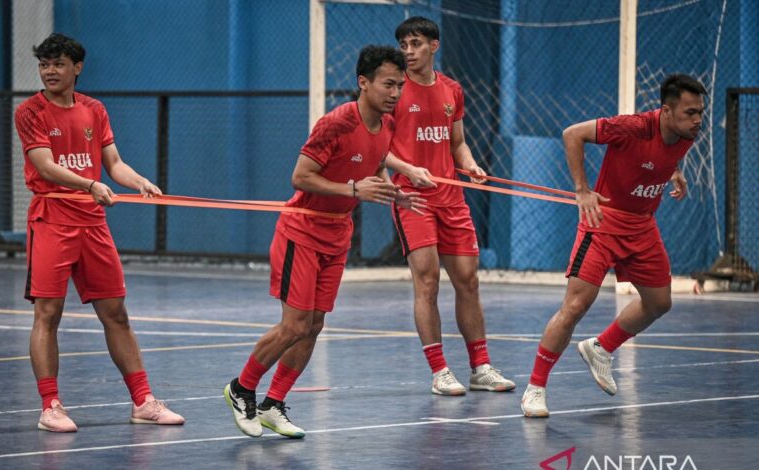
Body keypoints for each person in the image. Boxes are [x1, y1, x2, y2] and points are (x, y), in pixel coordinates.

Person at [224, 45, 424, 439]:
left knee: (313, 326)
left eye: (400, 85)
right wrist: (352, 188)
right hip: (302, 230)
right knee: (294, 324)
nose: (395, 93)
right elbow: (300, 177)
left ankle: (273, 403)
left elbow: (373, 168)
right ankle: (241, 388)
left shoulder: (387, 127)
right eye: (388, 84)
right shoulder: (335, 123)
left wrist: (392, 193)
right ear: (362, 83)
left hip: (338, 233)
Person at [14, 33, 185, 432]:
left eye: (57, 64)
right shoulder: (29, 111)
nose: (50, 71)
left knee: (116, 314)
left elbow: (113, 163)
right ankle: (50, 405)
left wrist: (139, 180)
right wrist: (89, 185)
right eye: (44, 65)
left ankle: (143, 401)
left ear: (77, 67)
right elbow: (44, 166)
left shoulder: (94, 110)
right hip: (52, 219)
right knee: (48, 313)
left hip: (92, 223)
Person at [521, 74, 707, 417]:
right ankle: (536, 387)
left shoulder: (686, 133)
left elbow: (659, 158)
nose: (697, 120)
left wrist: (674, 172)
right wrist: (581, 190)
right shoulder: (632, 127)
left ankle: (601, 348)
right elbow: (572, 134)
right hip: (603, 222)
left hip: (642, 226)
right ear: (666, 111)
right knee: (576, 306)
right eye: (690, 112)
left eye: (700, 113)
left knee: (659, 302)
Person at [384, 16, 515, 395]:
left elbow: (457, 142)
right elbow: (380, 148)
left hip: (451, 198)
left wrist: (469, 164)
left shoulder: (452, 90)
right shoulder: (394, 92)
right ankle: (440, 370)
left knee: (468, 282)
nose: (409, 51)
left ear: (434, 46)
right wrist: (410, 169)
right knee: (427, 281)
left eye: (416, 44)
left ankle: (481, 367)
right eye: (404, 45)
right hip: (412, 196)